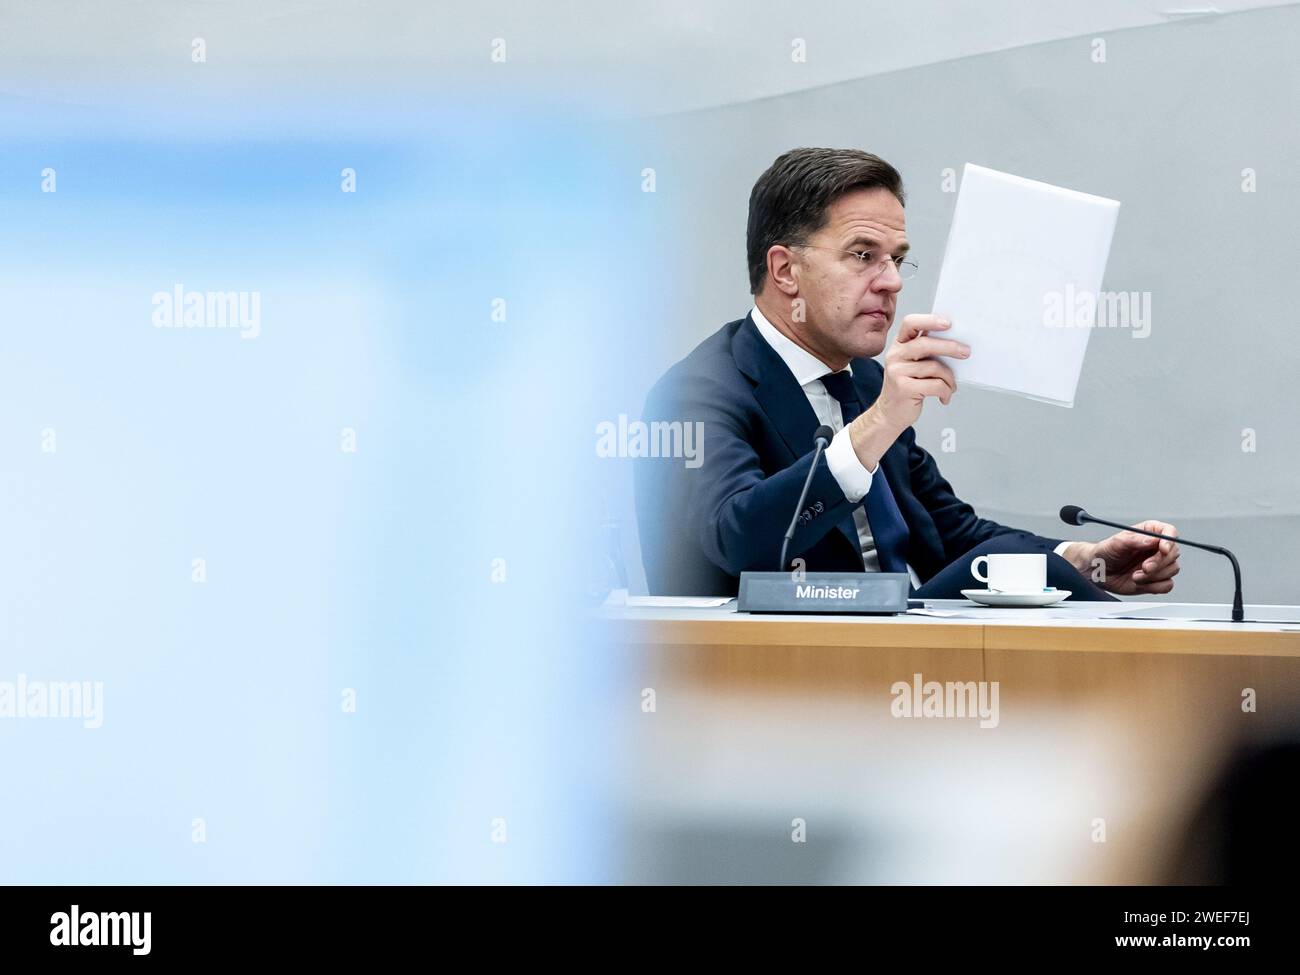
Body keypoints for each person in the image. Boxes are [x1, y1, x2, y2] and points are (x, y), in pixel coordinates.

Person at [635, 147, 1182, 599]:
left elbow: (951, 535)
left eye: (897, 258)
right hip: (779, 680)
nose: (891, 282)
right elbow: (739, 540)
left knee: (1005, 566)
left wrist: (1085, 562)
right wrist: (875, 427)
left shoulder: (869, 383)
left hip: (906, 659)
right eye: (862, 255)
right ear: (785, 271)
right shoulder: (696, 393)